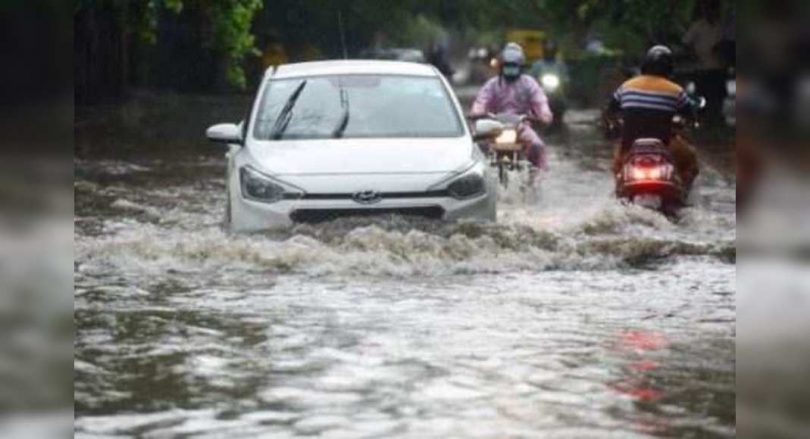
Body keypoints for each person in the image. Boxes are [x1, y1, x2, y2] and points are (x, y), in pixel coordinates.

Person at [605, 45, 700, 191]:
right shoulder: (676, 91)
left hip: (629, 147)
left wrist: (614, 125)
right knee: (690, 161)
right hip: (665, 146)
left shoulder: (626, 87)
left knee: (618, 166)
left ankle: (619, 190)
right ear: (670, 69)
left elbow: (610, 112)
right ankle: (685, 193)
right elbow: (691, 116)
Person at [471, 42, 553, 170]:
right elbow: (481, 101)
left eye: (514, 66)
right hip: (495, 127)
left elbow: (540, 101)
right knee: (477, 147)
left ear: (521, 67)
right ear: (501, 67)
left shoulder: (529, 84)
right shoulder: (492, 85)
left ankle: (536, 178)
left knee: (537, 146)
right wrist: (477, 113)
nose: (510, 69)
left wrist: (544, 115)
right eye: (507, 66)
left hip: (521, 127)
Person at [683, 0, 727, 124]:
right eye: (707, 8)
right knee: (702, 93)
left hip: (719, 65)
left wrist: (722, 49)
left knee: (718, 94)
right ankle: (703, 120)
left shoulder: (722, 26)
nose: (709, 11)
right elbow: (686, 43)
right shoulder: (698, 26)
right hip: (702, 66)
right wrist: (694, 55)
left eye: (712, 8)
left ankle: (716, 118)